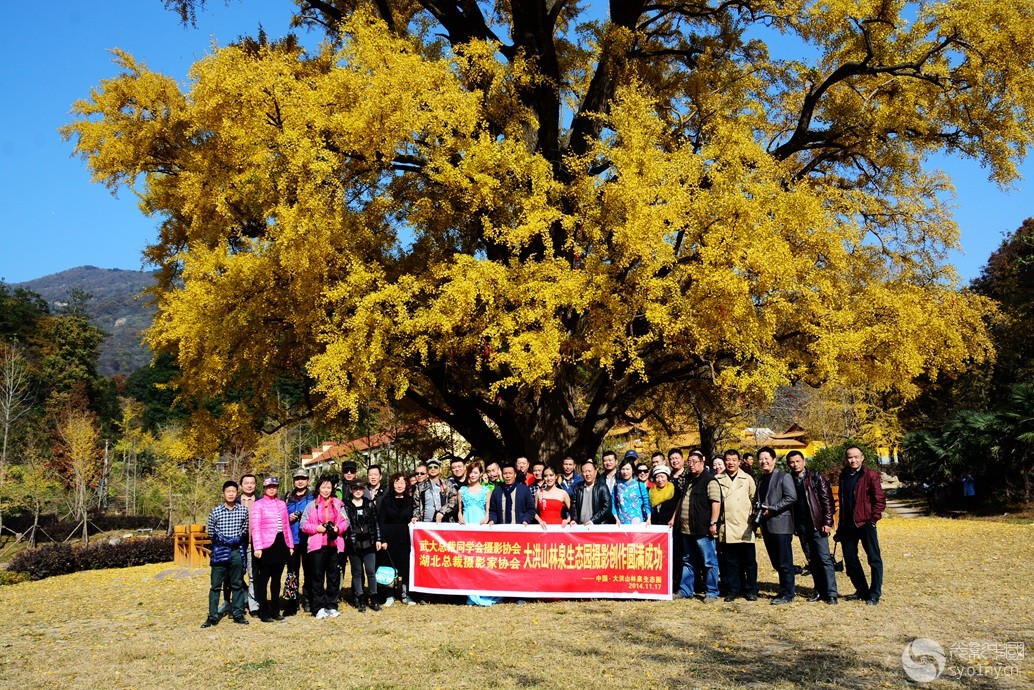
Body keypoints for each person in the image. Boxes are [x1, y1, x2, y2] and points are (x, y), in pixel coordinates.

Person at [786, 450, 838, 605]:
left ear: (804, 461)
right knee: (812, 560)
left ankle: (831, 593)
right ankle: (819, 590)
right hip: (801, 526)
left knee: (824, 559)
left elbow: (827, 501)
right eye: (792, 462)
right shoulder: (789, 480)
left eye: (797, 461)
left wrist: (827, 522)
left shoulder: (816, 478)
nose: (795, 465)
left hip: (817, 525)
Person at [836, 445, 886, 606]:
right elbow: (843, 502)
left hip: (865, 523)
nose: (853, 460)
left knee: (874, 559)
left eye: (856, 457)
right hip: (848, 525)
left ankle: (874, 593)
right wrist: (841, 525)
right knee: (850, 560)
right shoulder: (844, 475)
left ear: (862, 457)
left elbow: (879, 500)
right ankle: (862, 590)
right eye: (850, 457)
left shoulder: (870, 475)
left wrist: (873, 520)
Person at [674, 451, 722, 602]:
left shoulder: (710, 480)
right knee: (688, 560)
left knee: (709, 562)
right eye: (689, 461)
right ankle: (686, 590)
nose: (691, 464)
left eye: (695, 461)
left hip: (702, 529)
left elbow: (716, 502)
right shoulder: (688, 479)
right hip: (687, 528)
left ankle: (712, 592)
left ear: (702, 462)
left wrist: (713, 522)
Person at [202, 480, 250, 627]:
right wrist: (223, 541)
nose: (231, 494)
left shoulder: (243, 511)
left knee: (237, 584)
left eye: (233, 491)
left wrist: (235, 541)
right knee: (215, 585)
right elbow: (211, 532)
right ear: (223, 493)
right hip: (220, 551)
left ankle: (237, 613)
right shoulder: (215, 511)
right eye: (228, 491)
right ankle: (212, 616)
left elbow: (244, 529)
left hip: (236, 551)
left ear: (237, 493)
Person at [301, 475, 349, 619]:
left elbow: (345, 522)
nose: (326, 490)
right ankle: (319, 607)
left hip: (334, 544)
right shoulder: (311, 505)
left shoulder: (338, 504)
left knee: (334, 577)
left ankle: (331, 605)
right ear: (318, 488)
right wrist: (317, 528)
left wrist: (337, 529)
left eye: (329, 487)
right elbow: (303, 525)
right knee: (317, 577)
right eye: (323, 487)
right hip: (317, 545)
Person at [716, 449, 758, 602]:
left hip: (744, 526)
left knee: (749, 562)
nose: (731, 462)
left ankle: (751, 589)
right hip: (727, 527)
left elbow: (754, 499)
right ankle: (734, 589)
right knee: (731, 562)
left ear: (739, 461)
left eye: (734, 459)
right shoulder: (717, 479)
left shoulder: (747, 479)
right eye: (728, 459)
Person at [250, 477, 295, 622]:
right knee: (263, 579)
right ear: (264, 488)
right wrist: (257, 547)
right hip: (265, 545)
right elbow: (255, 527)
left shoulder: (282, 504)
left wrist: (290, 545)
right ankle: (264, 611)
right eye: (269, 486)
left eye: (274, 486)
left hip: (281, 544)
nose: (272, 489)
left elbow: (287, 526)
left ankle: (275, 610)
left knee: (277, 579)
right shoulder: (258, 505)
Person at [756, 447, 797, 604]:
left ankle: (788, 593)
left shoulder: (784, 476)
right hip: (767, 526)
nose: (764, 461)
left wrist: (772, 509)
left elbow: (791, 497)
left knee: (784, 561)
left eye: (767, 458)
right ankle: (783, 590)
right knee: (776, 560)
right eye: (761, 458)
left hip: (781, 524)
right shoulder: (762, 479)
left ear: (773, 459)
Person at [343, 480, 384, 612]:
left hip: (369, 543)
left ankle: (374, 598)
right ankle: (359, 598)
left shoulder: (369, 504)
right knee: (357, 573)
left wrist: (378, 539)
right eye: (355, 489)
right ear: (351, 490)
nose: (358, 491)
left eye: (360, 488)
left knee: (371, 572)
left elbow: (376, 522)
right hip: (354, 544)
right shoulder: (346, 506)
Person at [379, 472, 416, 605]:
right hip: (389, 538)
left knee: (406, 567)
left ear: (406, 484)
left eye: (402, 482)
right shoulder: (386, 500)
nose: (399, 485)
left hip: (405, 538)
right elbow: (381, 521)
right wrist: (382, 539)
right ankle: (389, 595)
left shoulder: (410, 500)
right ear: (392, 484)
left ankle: (406, 595)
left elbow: (414, 515)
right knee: (389, 567)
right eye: (396, 482)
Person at [284, 468, 315, 615]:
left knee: (310, 571)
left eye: (303, 478)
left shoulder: (313, 496)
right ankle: (292, 601)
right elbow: (281, 516)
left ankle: (309, 600)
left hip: (309, 539)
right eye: (297, 479)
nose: (300, 481)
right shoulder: (288, 496)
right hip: (292, 540)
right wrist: (288, 518)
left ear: (307, 480)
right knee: (292, 572)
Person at [238, 473, 260, 616]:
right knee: (236, 575)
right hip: (238, 545)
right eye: (246, 483)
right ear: (241, 486)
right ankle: (240, 600)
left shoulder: (260, 501)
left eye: (252, 482)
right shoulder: (234, 501)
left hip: (254, 544)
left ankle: (253, 605)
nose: (249, 485)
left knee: (253, 576)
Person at [413, 458, 458, 523]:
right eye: (430, 467)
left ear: (440, 470)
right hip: (426, 524)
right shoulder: (420, 486)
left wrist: (442, 512)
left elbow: (454, 500)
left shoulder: (447, 484)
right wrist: (416, 516)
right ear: (427, 470)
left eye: (436, 467)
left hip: (445, 522)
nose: (433, 469)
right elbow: (416, 505)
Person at [570, 459, 614, 525]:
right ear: (582, 474)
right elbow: (573, 506)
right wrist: (574, 519)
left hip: (597, 526)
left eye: (589, 471)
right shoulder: (578, 488)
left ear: (595, 472)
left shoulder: (602, 487)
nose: (587, 474)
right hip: (580, 527)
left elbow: (607, 508)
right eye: (584, 472)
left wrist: (593, 520)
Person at [613, 457, 651, 525]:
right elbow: (612, 503)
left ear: (633, 470)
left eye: (628, 469)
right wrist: (616, 518)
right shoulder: (617, 486)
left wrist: (649, 518)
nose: (625, 472)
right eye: (623, 469)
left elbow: (646, 502)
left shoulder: (640, 485)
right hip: (621, 523)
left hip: (637, 523)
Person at [458, 460, 491, 525]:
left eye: (475, 473)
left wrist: (486, 518)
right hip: (466, 522)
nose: (472, 475)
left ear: (480, 474)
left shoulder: (487, 491)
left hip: (481, 523)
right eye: (470, 472)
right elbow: (459, 510)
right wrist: (460, 518)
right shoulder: (462, 491)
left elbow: (488, 510)